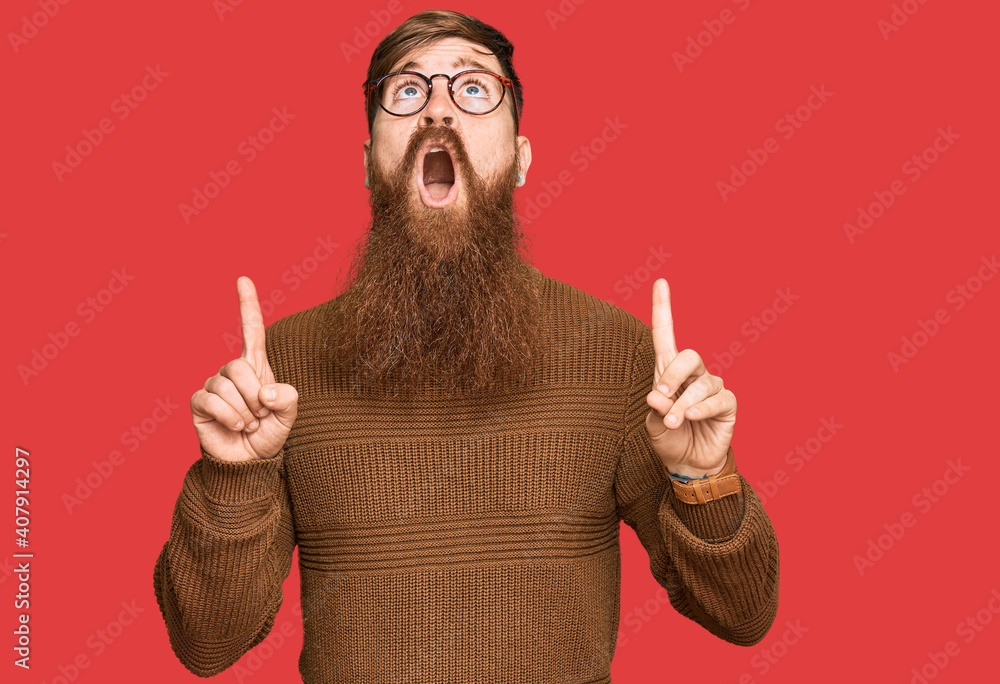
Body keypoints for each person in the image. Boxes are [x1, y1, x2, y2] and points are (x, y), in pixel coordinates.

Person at [152, 9, 779, 683]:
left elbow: (743, 616)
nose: (438, 109)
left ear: (521, 158)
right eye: (408, 90)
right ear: (369, 161)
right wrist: (232, 477)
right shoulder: (281, 374)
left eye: (475, 88)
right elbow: (206, 644)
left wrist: (702, 481)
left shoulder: (620, 356)